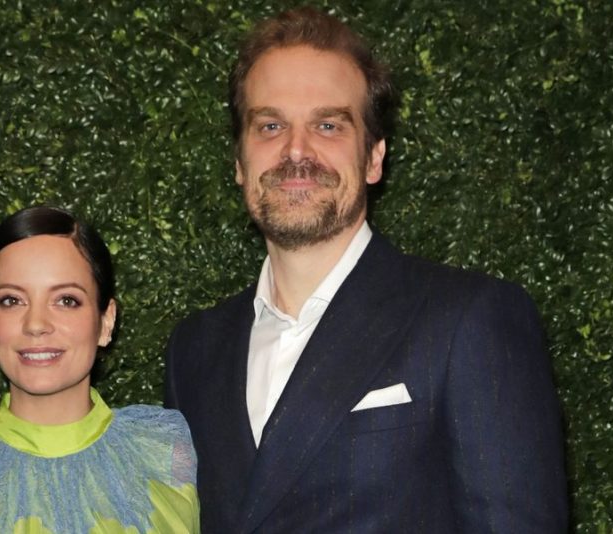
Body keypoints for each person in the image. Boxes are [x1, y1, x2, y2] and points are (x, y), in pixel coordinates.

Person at [164, 7, 567, 533]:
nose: (296, 150)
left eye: (328, 125)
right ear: (240, 162)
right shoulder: (193, 351)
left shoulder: (467, 320)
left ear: (374, 158)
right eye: (271, 125)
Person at [0, 206, 198, 533]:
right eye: (12, 300)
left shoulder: (168, 458)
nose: (36, 324)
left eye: (66, 300)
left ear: (106, 320)